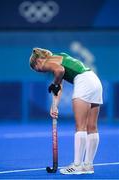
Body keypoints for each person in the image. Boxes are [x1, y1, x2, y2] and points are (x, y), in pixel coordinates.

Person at [29, 47, 103, 175]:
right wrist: (55, 106)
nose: (40, 71)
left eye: (37, 69)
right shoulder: (59, 56)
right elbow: (59, 85)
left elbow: (59, 71)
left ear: (38, 61)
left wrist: (55, 83)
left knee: (81, 126)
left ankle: (77, 165)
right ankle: (88, 165)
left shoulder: (47, 62)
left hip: (83, 81)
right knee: (92, 127)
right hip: (95, 80)